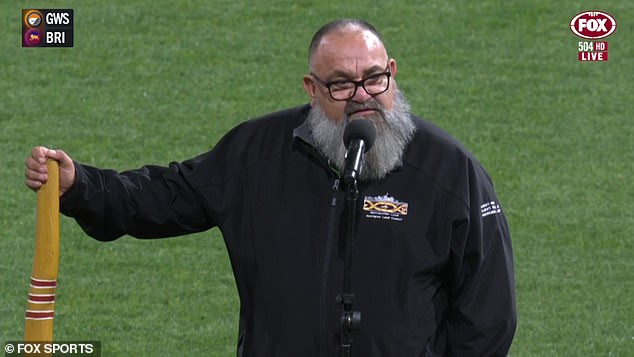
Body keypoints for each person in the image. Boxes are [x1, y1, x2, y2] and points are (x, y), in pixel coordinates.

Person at [25, 19, 516, 357]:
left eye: (375, 79)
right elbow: (166, 196)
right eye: (342, 85)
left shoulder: (448, 170)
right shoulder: (258, 154)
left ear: (393, 73)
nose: (363, 97)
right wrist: (80, 185)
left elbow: (488, 314)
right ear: (311, 88)